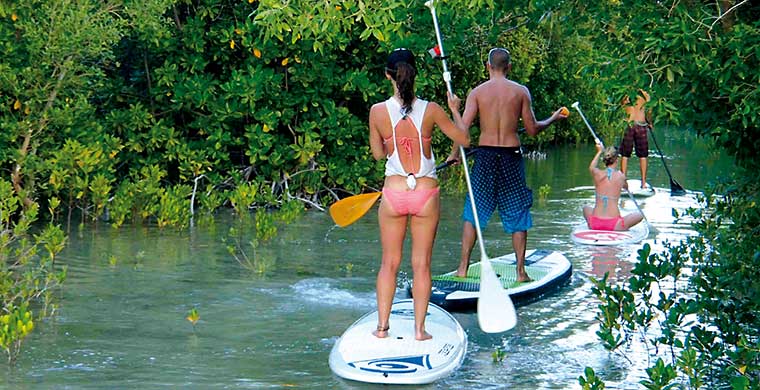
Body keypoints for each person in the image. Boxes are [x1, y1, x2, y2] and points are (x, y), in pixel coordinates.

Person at [368, 48, 470, 341]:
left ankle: (382, 328)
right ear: (415, 74)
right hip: (425, 191)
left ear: (388, 75)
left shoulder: (376, 111)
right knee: (421, 264)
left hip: (394, 192)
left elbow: (378, 155)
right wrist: (455, 108)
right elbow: (464, 139)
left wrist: (390, 143)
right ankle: (419, 330)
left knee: (389, 263)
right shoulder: (434, 108)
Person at [447, 48, 567, 281]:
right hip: (511, 155)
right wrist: (552, 118)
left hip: (485, 156)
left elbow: (464, 129)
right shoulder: (521, 92)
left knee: (474, 211)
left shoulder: (478, 92)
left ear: (487, 66)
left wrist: (455, 153)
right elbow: (532, 130)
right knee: (517, 210)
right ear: (509, 67)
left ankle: (463, 268)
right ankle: (521, 272)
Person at [583, 143, 643, 230]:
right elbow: (626, 187)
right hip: (614, 224)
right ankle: (621, 227)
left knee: (586, 208)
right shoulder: (621, 176)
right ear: (616, 160)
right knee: (639, 215)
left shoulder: (597, 174)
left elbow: (591, 167)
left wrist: (599, 151)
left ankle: (591, 223)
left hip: (595, 223)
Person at [619, 89, 652, 188]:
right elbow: (649, 111)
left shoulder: (626, 93)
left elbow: (622, 106)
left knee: (628, 155)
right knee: (635, 155)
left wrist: (649, 122)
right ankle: (641, 183)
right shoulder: (644, 95)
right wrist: (650, 123)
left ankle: (637, 182)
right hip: (636, 125)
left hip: (632, 124)